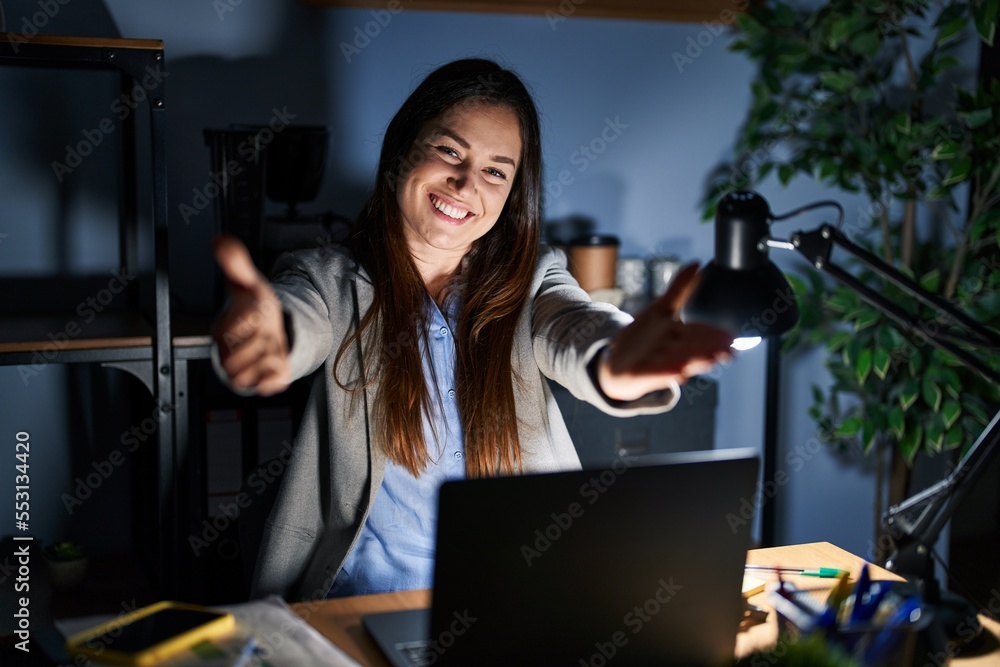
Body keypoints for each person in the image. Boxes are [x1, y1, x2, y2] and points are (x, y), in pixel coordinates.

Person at [211, 58, 733, 603]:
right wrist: (268, 338)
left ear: (512, 194)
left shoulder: (534, 278)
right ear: (400, 155)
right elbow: (297, 321)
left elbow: (573, 326)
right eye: (449, 151)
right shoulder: (328, 278)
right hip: (369, 602)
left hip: (517, 599)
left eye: (495, 171)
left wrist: (617, 358)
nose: (464, 183)